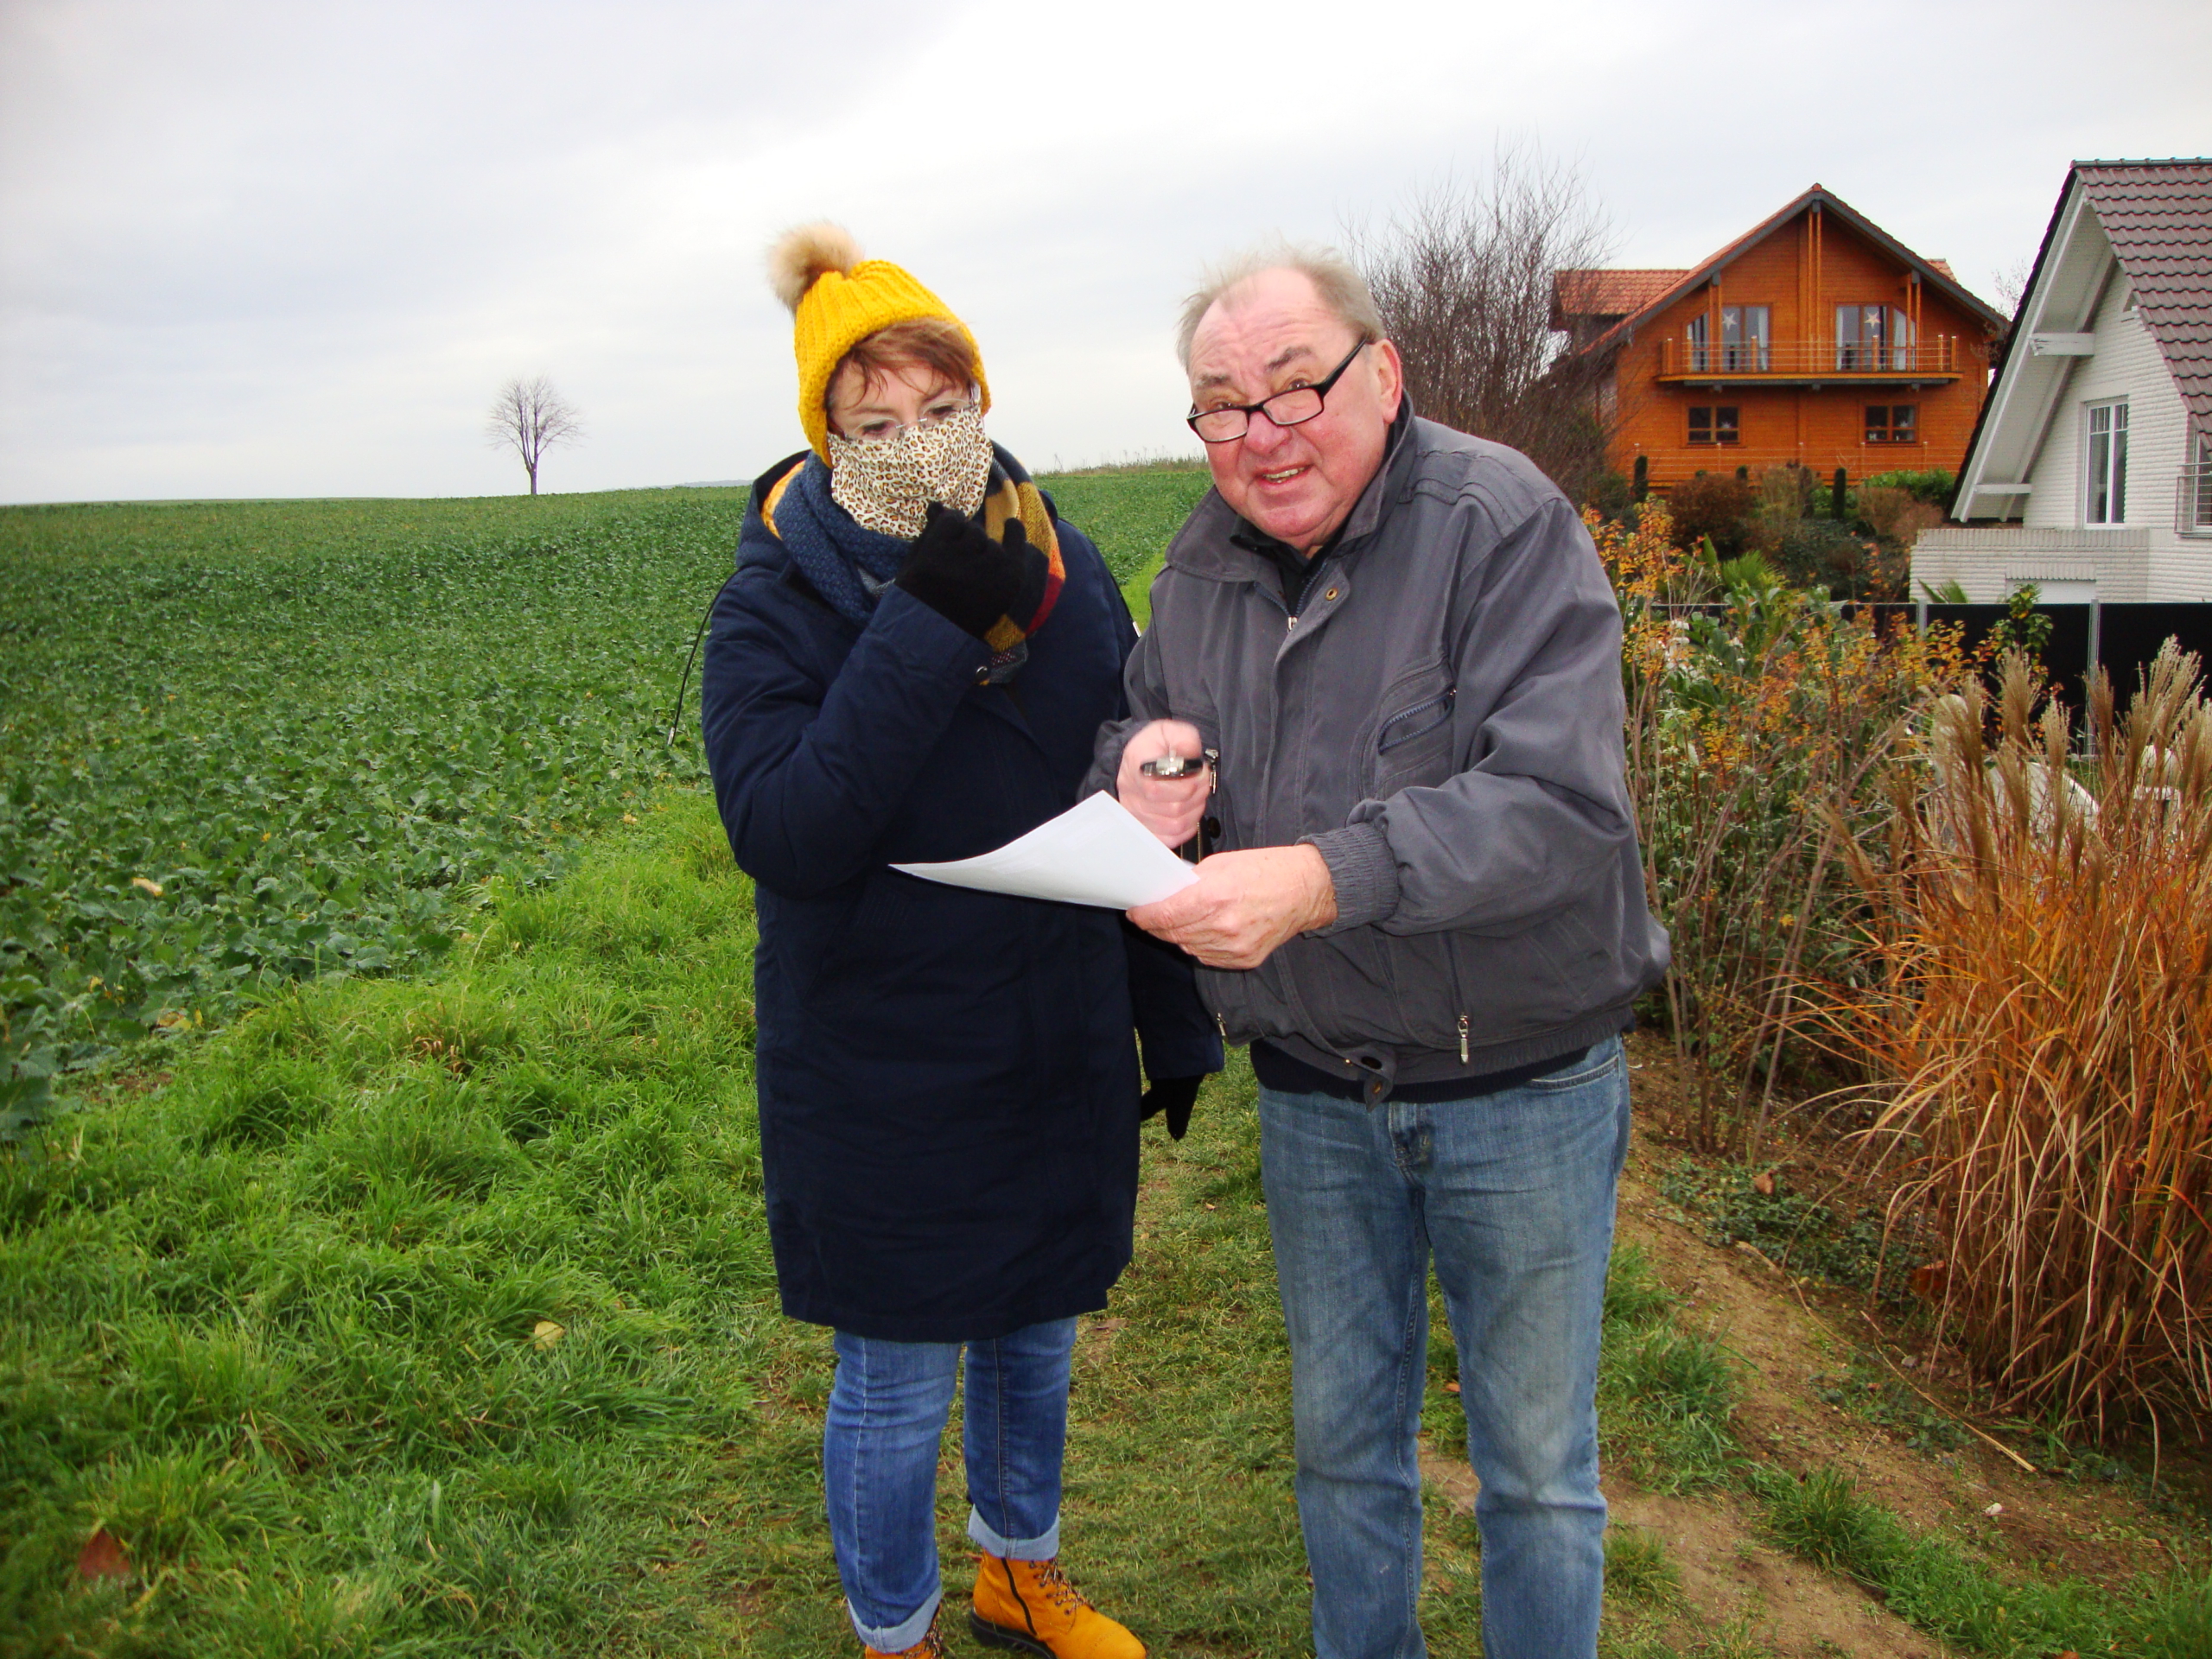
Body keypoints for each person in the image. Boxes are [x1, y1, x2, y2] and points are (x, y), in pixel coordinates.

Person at [1092, 246, 1669, 1659]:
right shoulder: (1200, 564)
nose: (1262, 435)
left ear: (1385, 374)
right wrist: (1143, 769)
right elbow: (1136, 721)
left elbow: (1558, 806)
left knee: (1535, 1475)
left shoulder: (1502, 523)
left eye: (1296, 389)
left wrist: (1318, 878)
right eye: (1222, 407)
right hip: (1313, 1085)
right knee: (1343, 1451)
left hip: (1518, 1084)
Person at [701, 225, 1221, 1659]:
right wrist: (929, 623)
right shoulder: (770, 606)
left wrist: (1158, 773)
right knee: (897, 1374)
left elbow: (1113, 739)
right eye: (874, 428)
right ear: (824, 434)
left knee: (1039, 1332)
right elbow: (791, 832)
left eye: (944, 415)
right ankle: (897, 1630)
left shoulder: (1063, 555)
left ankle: (1016, 1569)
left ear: (979, 401)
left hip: (1049, 1027)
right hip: (883, 1052)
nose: (919, 449)